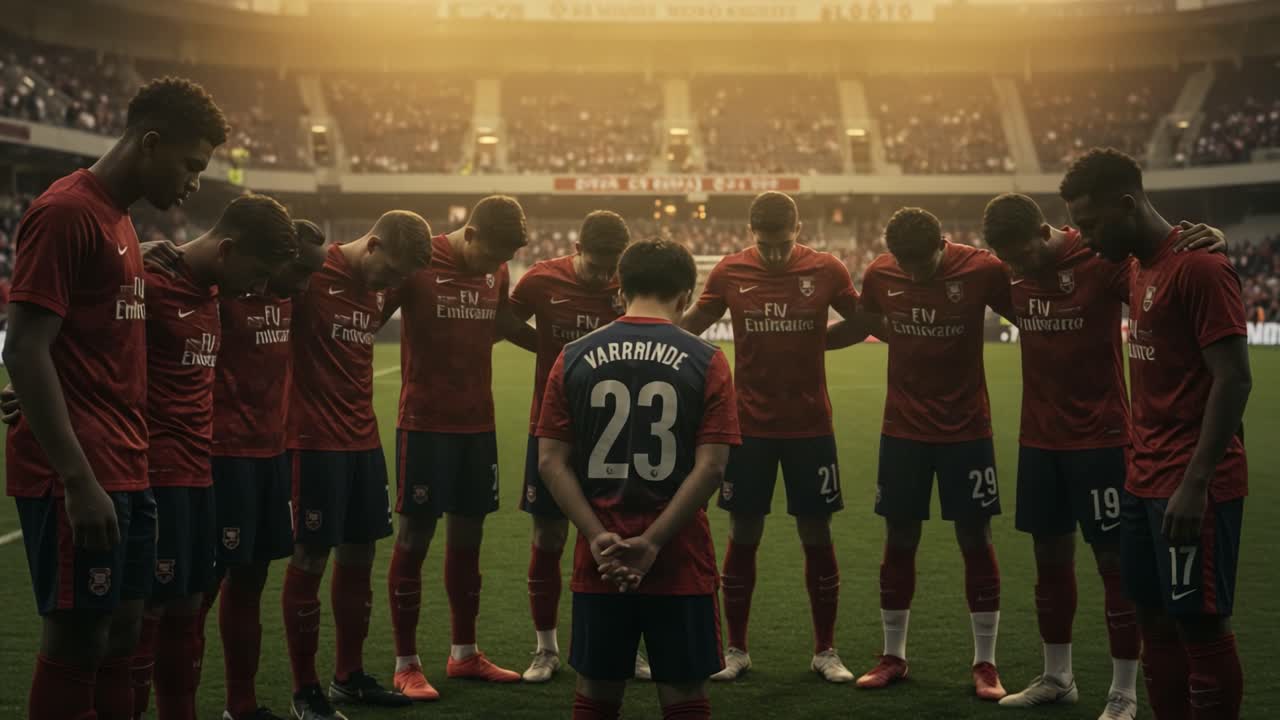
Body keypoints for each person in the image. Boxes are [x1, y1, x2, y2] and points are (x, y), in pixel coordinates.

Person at [4, 76, 226, 720]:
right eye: (190, 165)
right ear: (151, 143)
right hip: (80, 475)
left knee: (123, 636)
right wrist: (75, 478)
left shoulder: (121, 221)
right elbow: (23, 348)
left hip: (130, 466)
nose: (193, 183)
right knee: (78, 641)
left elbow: (84, 340)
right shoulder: (66, 211)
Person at [983, 193, 1226, 720]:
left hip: (1102, 440)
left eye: (1021, 255)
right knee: (1049, 563)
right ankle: (1057, 677)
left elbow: (1161, 272)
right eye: (1007, 260)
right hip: (1038, 442)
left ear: (1044, 230)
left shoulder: (1101, 260)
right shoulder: (1006, 270)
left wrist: (1210, 242)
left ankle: (1123, 693)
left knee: (1115, 570)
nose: (1015, 267)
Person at [1061, 148, 1250, 720]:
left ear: (1126, 204)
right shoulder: (1138, 264)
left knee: (1199, 622)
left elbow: (1235, 380)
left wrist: (1195, 485)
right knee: (1152, 616)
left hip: (1193, 485)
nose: (1086, 238)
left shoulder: (1200, 268)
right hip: (1141, 480)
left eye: (1091, 224)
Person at [536, 238, 741, 720]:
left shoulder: (573, 357)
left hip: (600, 559)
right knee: (685, 696)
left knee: (597, 695)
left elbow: (550, 462)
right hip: (679, 557)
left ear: (620, 289)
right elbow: (712, 466)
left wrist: (597, 536)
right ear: (686, 294)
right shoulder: (707, 359)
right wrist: (650, 543)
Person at [680, 191, 873, 682]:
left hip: (811, 426)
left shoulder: (827, 269)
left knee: (816, 533)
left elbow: (865, 320)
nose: (773, 254)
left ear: (798, 229)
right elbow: (691, 326)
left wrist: (818, 341)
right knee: (744, 534)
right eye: (765, 245)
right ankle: (736, 650)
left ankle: (825, 651)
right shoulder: (729, 272)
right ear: (751, 235)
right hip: (749, 428)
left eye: (782, 244)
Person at [128, 194, 300, 720]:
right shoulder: (151, 284)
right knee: (152, 612)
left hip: (205, 468)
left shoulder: (209, 288)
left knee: (186, 602)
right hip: (163, 469)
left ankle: (233, 706)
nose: (262, 289)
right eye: (258, 273)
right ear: (228, 250)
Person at [851, 207, 1014, 700]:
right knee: (899, 535)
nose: (914, 273)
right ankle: (893, 655)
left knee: (974, 535)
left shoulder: (983, 269)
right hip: (902, 429)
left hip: (967, 429)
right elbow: (865, 320)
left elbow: (1028, 308)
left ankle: (985, 663)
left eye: (922, 264)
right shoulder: (881, 272)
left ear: (943, 243)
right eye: (906, 265)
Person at [284, 211, 431, 720]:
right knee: (309, 559)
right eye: (388, 274)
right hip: (311, 442)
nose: (390, 288)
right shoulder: (308, 273)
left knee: (360, 555)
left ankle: (348, 677)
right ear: (371, 245)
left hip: (363, 440)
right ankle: (305, 690)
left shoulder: (376, 287)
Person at [386, 196, 533, 699]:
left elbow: (503, 327)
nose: (494, 266)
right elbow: (369, 309)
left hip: (479, 424)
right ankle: (406, 664)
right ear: (468, 234)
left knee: (469, 541)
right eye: (488, 254)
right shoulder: (417, 263)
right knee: (413, 539)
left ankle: (464, 654)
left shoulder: (498, 270)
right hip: (424, 424)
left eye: (502, 259)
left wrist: (564, 345)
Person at [506, 210, 634, 683]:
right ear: (577, 250)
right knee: (549, 538)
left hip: (617, 433)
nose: (604, 277)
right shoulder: (542, 281)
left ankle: (627, 647)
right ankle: (545, 649)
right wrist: (551, 352)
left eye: (611, 268)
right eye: (596, 266)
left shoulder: (628, 284)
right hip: (554, 430)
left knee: (621, 537)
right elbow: (505, 321)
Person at [209, 219, 328, 720]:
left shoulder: (288, 296)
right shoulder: (219, 292)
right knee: (194, 593)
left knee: (251, 581)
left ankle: (242, 706)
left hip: (272, 457)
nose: (305, 283)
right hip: (220, 456)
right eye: (298, 269)